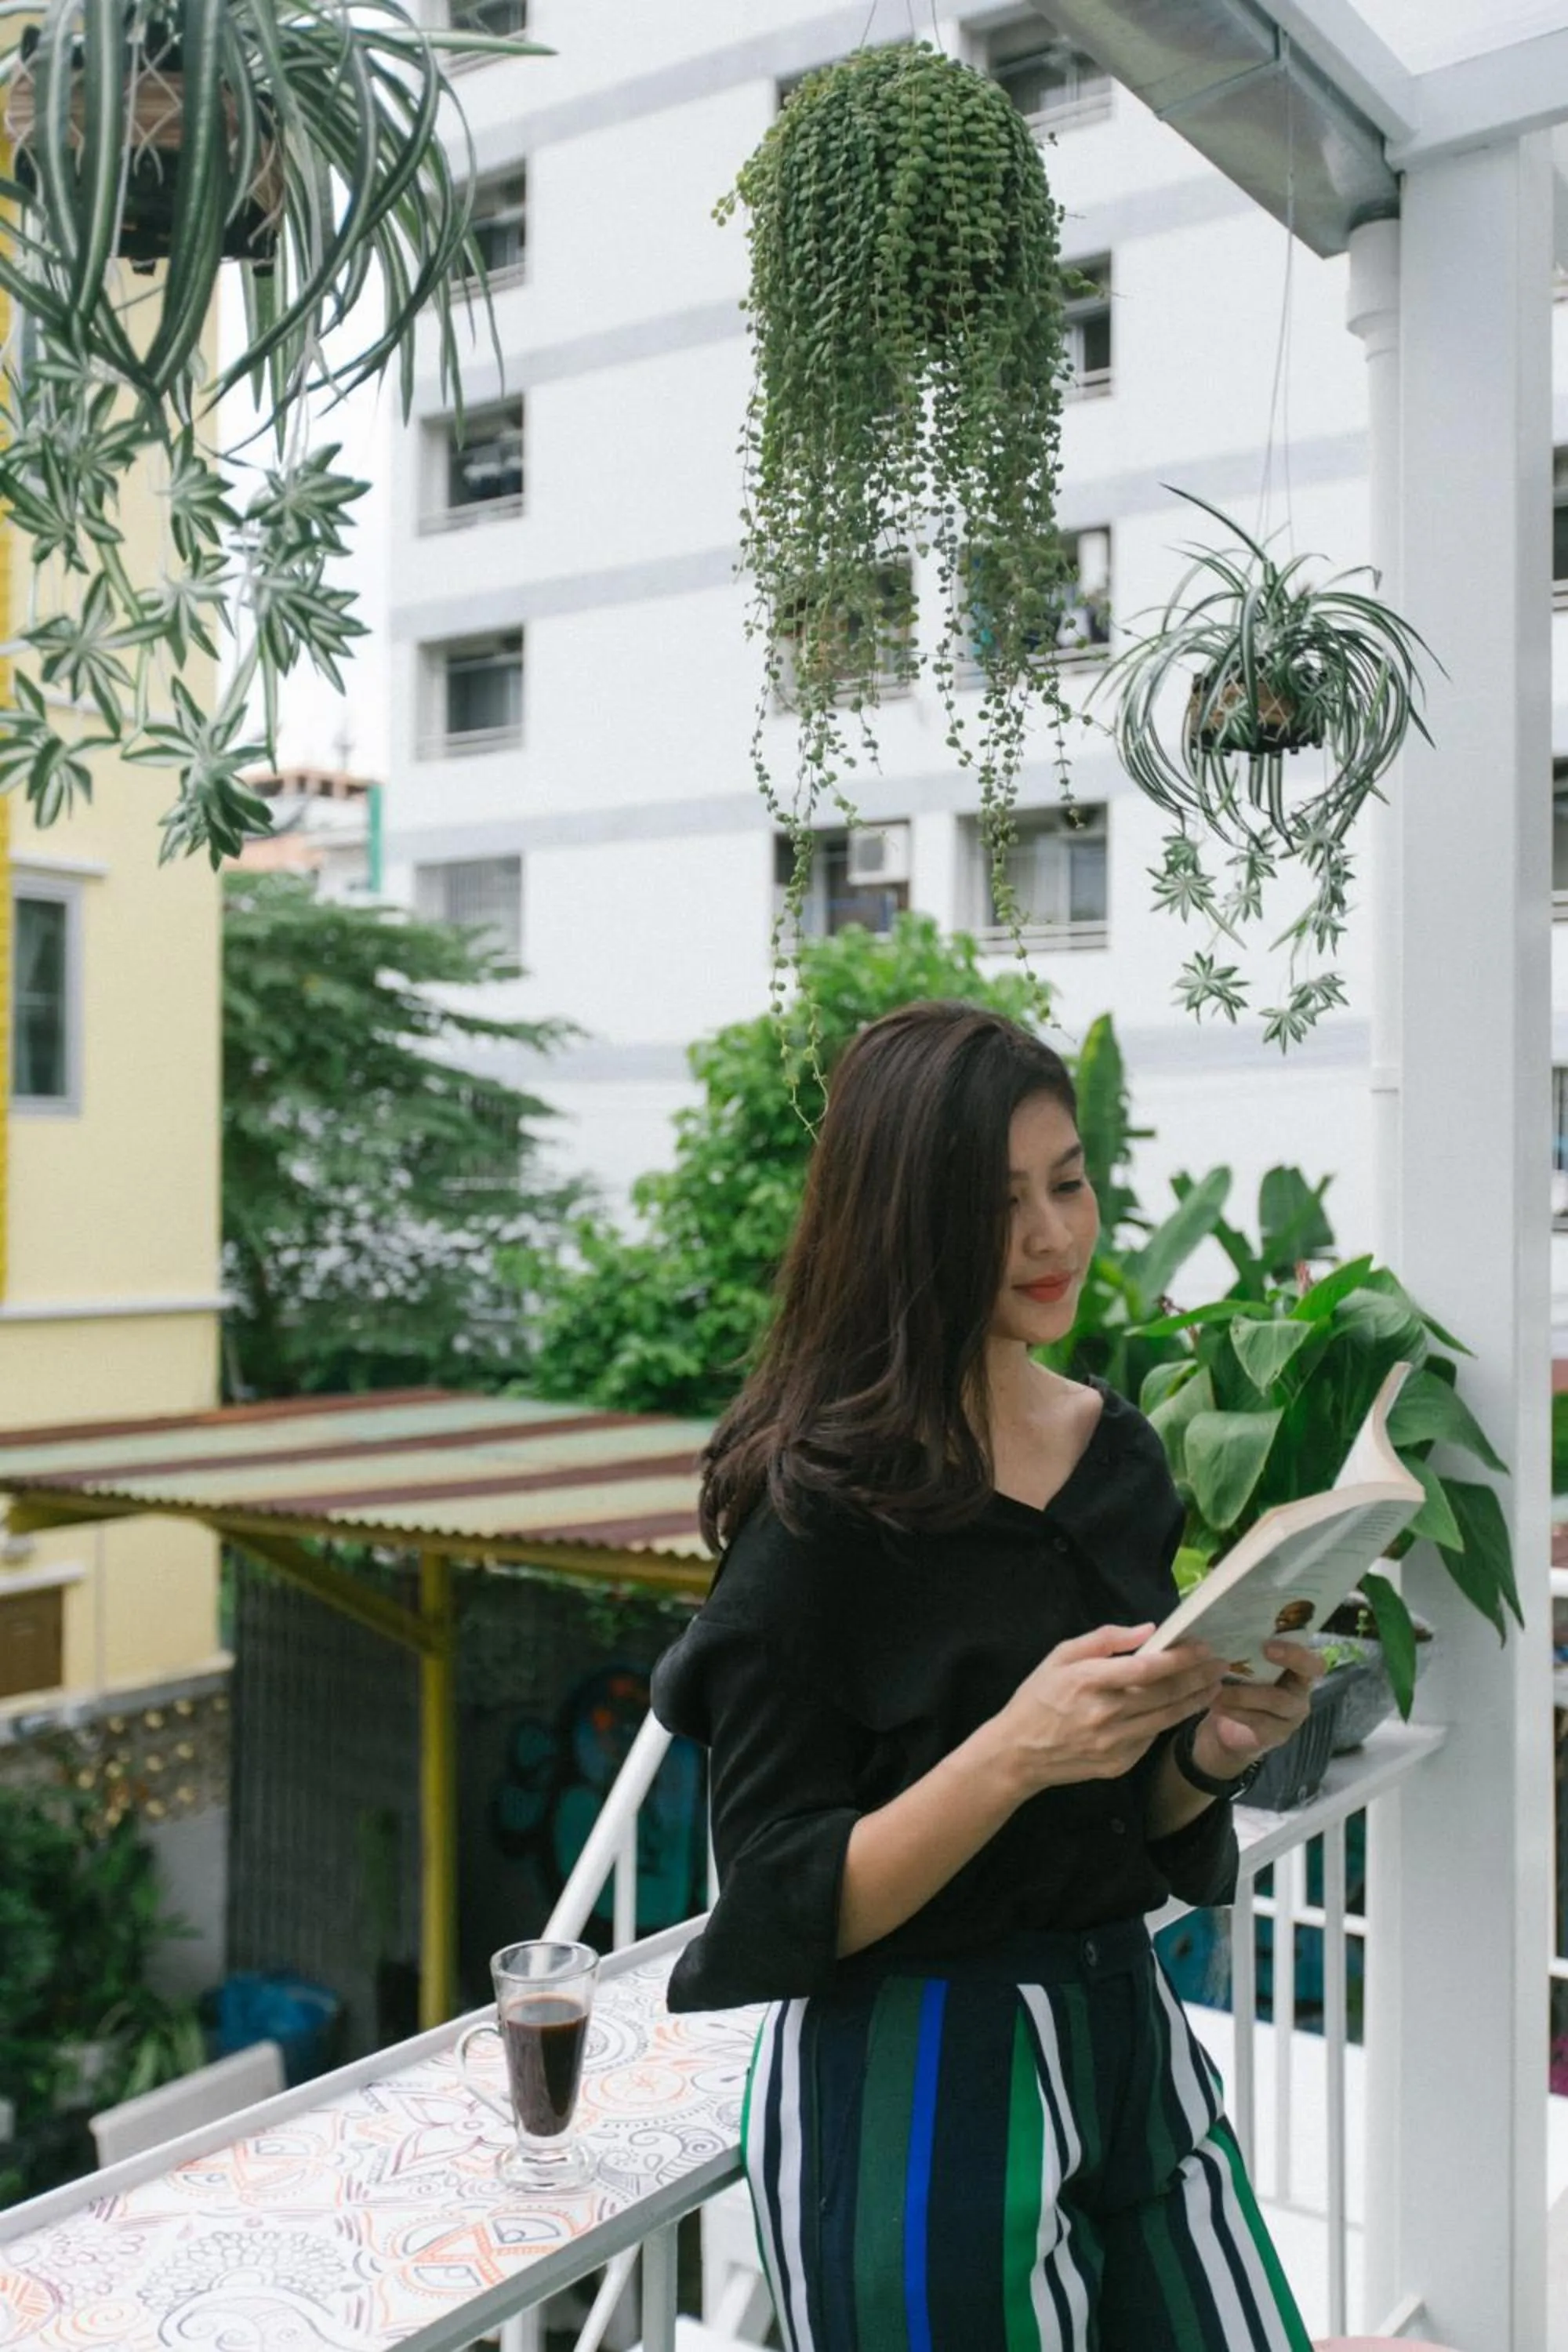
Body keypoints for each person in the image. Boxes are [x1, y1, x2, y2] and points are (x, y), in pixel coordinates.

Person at [652, 1000, 1323, 2352]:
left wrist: (1217, 1750)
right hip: (913, 2077)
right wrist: (1014, 1749)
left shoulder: (1115, 1456)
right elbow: (782, 1898)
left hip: (1125, 2029)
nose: (1052, 1235)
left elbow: (1125, 1820)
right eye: (996, 1202)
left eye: (1066, 1183)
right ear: (903, 1221)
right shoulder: (820, 1516)